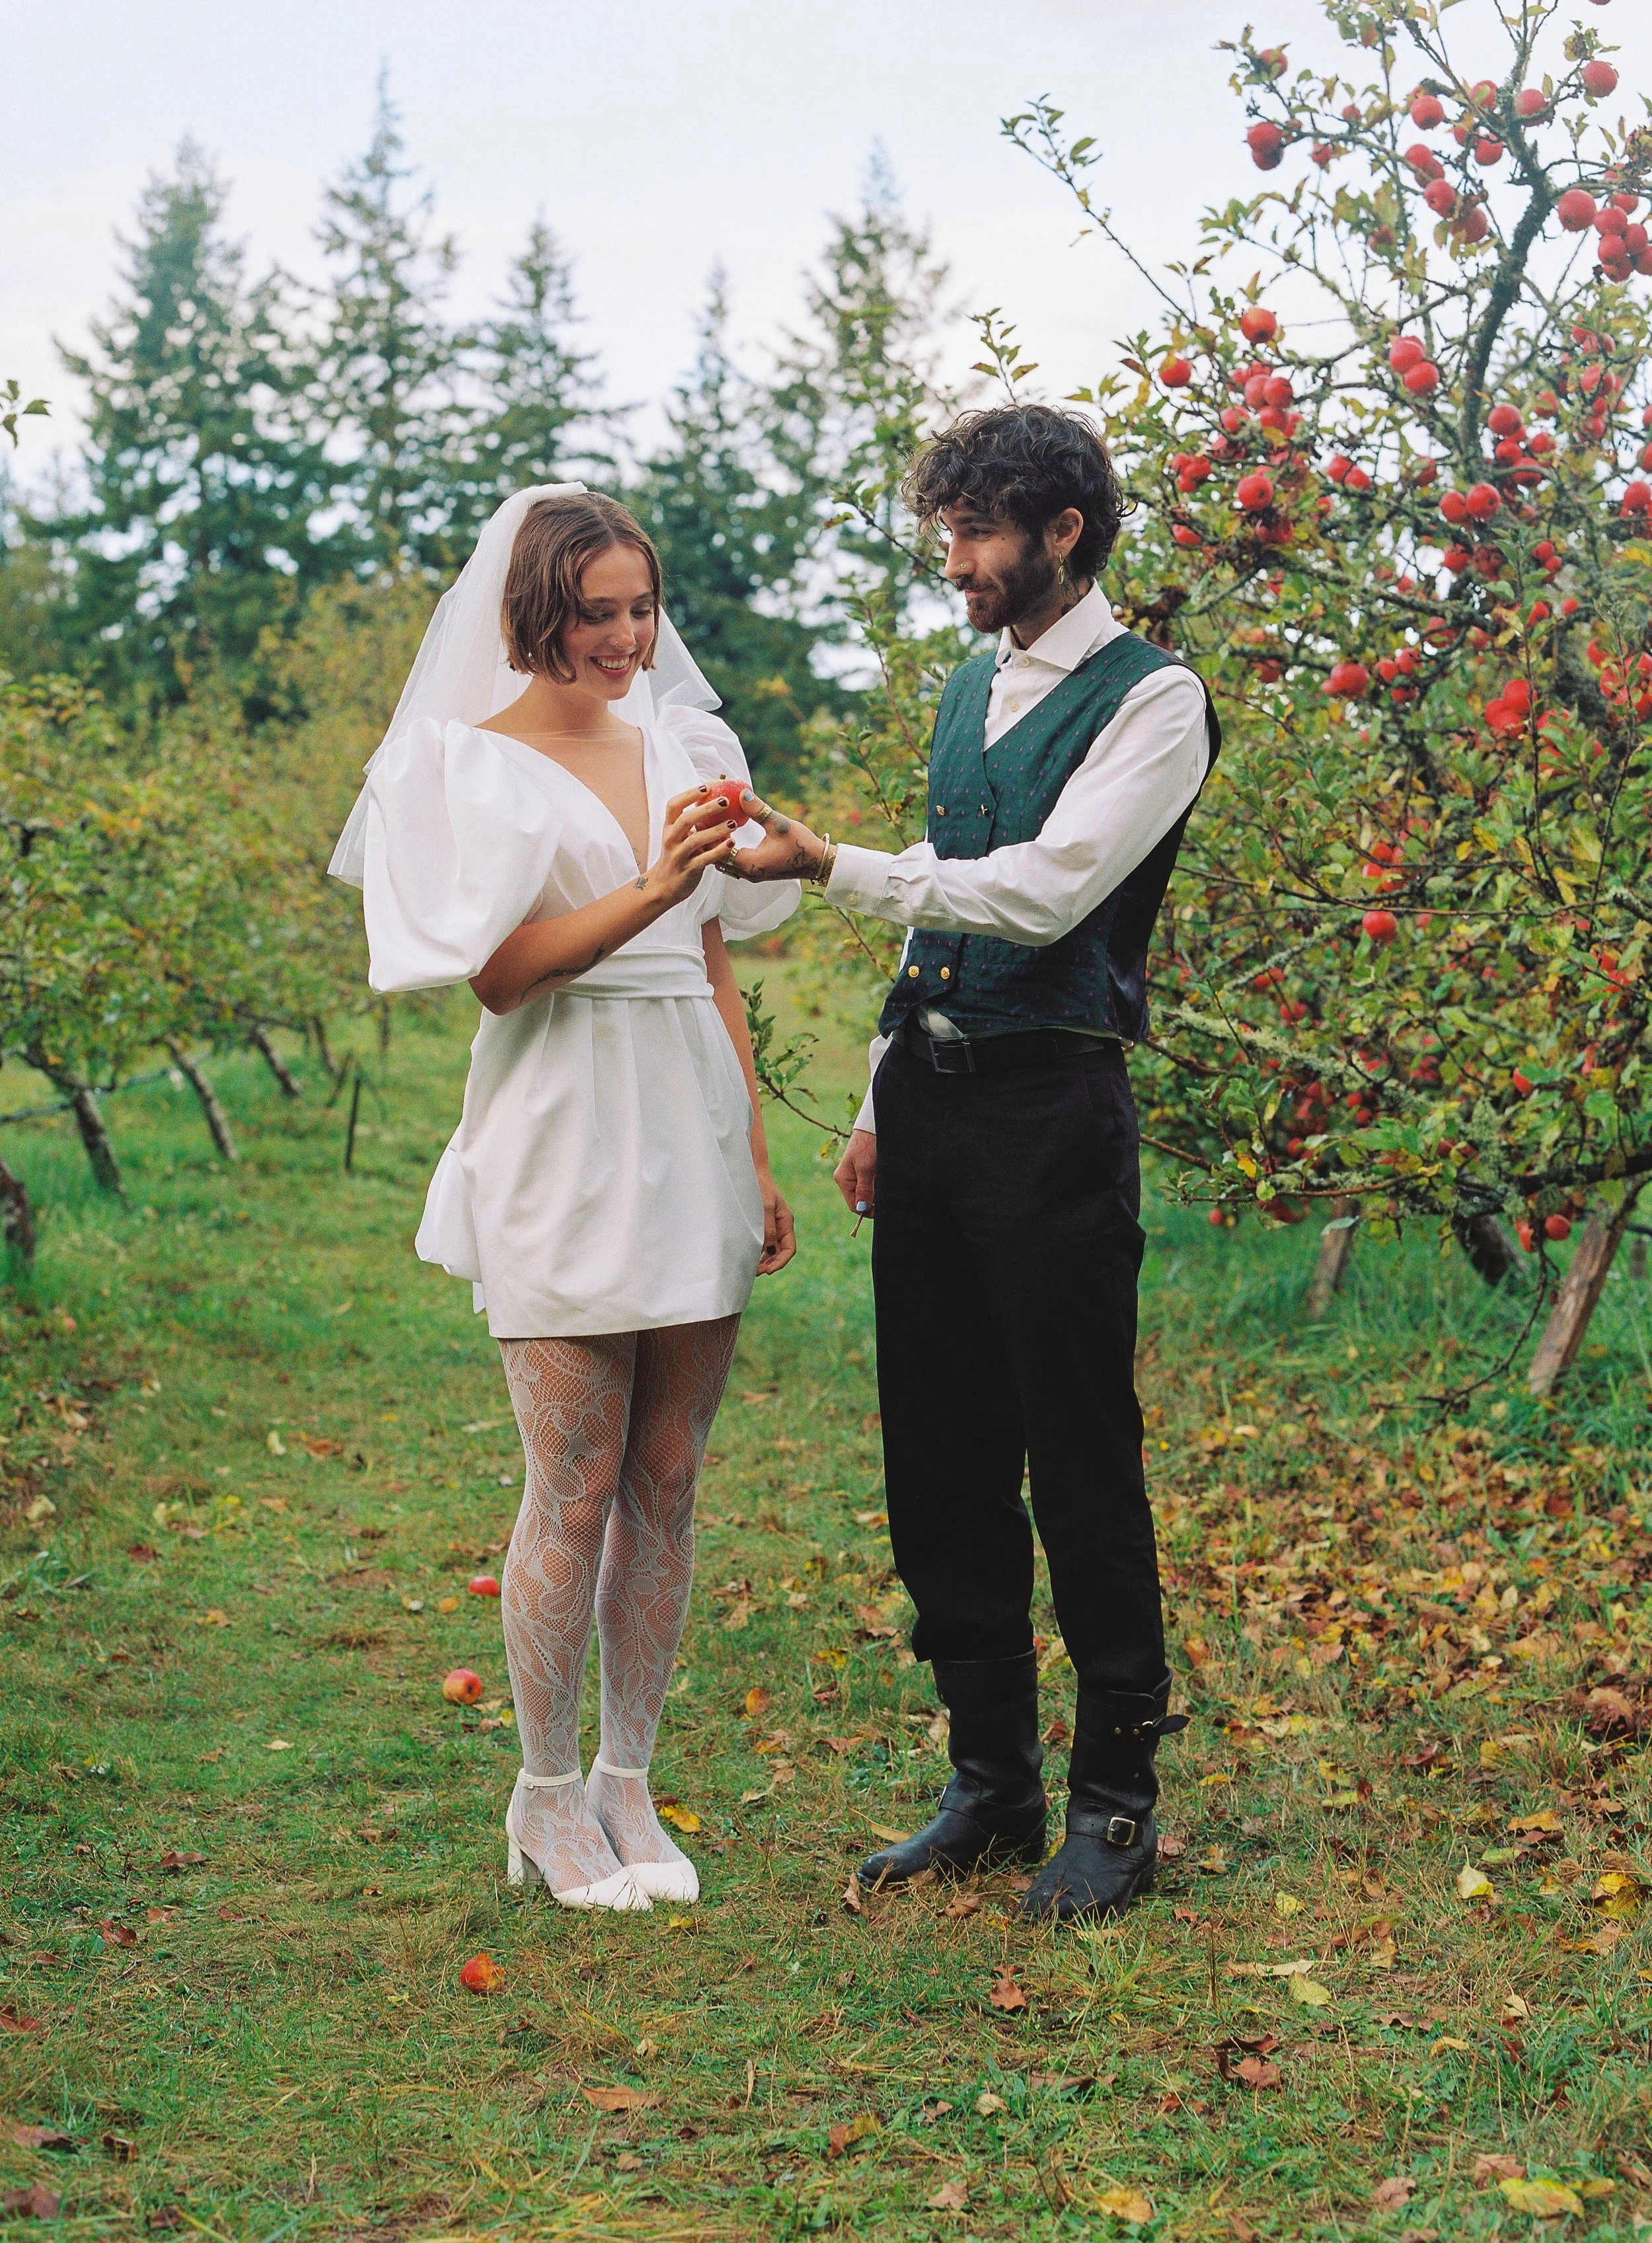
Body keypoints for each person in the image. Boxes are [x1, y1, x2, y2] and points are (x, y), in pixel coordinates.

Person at [732, 404, 1219, 1922]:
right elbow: (941, 929)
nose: (950, 562)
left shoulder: (1155, 700)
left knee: (1074, 1449)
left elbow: (1048, 889)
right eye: (943, 533)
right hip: (937, 1111)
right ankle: (990, 1782)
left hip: (1051, 1115)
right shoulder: (968, 683)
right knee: (936, 1452)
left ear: (1061, 532)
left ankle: (1114, 1802)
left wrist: (831, 864)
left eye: (971, 535)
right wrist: (882, 1097)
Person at [331, 487, 800, 1912]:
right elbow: (499, 971)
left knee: (668, 1476)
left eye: (640, 606)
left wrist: (758, 1150)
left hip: (689, 1108)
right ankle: (542, 1795)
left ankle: (626, 1779)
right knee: (576, 1481)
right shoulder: (461, 765)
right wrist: (655, 884)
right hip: (562, 1118)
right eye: (593, 609)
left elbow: (716, 953)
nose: (623, 634)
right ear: (532, 611)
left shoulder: (685, 742)